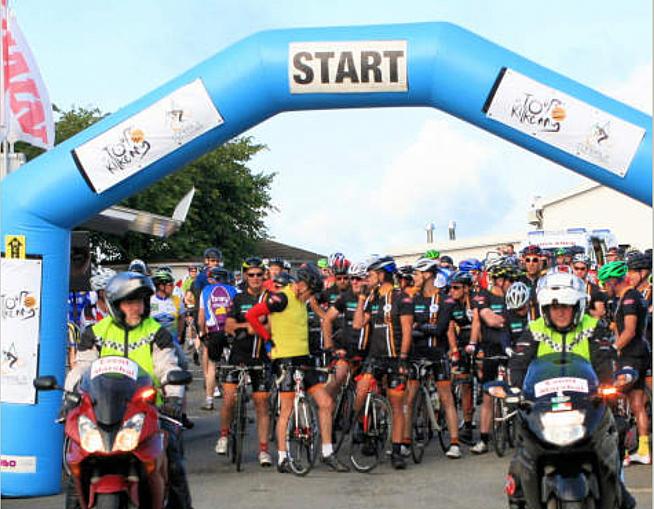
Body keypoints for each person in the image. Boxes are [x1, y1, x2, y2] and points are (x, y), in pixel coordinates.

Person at [506, 268, 635, 509]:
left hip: (588, 408)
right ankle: (520, 500)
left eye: (566, 306)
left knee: (613, 445)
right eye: (555, 307)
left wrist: (610, 384)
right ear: (545, 308)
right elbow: (518, 363)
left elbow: (604, 359)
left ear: (578, 306)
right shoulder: (535, 329)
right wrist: (514, 389)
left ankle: (617, 495)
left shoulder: (593, 327)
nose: (560, 312)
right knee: (520, 459)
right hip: (543, 410)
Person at [64, 272, 193, 509]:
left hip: (149, 409)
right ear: (115, 304)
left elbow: (167, 366)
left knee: (174, 463)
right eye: (130, 302)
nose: (137, 307)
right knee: (77, 463)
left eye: (141, 301)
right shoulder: (95, 333)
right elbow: (81, 368)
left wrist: (174, 398)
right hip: (102, 410)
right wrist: (69, 397)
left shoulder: (157, 332)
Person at [245, 263, 350, 473]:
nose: (311, 297)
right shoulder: (281, 298)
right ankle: (283, 457)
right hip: (284, 359)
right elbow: (251, 316)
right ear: (301, 285)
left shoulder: (303, 300)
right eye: (310, 292)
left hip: (303, 358)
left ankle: (327, 452)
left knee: (326, 402)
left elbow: (315, 321)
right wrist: (267, 341)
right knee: (286, 409)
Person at [352, 255, 413, 470]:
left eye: (370, 274)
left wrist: (403, 358)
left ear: (382, 275)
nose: (367, 278)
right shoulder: (373, 298)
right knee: (361, 390)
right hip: (375, 357)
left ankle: (396, 450)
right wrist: (362, 299)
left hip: (396, 357)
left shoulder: (401, 298)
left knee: (396, 404)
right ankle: (364, 428)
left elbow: (407, 331)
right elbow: (358, 324)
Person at [215, 257, 273, 466]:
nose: (255, 278)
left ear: (264, 275)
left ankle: (263, 450)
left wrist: (250, 327)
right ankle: (223, 435)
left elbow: (270, 328)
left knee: (261, 403)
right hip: (238, 354)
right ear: (246, 276)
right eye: (251, 275)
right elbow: (229, 326)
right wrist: (250, 327)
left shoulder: (270, 298)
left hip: (260, 355)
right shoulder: (239, 298)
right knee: (229, 398)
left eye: (259, 274)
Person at [598, 261, 651, 465]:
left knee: (615, 397)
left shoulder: (629, 299)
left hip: (631, 356)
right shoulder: (631, 297)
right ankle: (643, 450)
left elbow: (629, 330)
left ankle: (624, 451)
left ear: (614, 281)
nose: (604, 287)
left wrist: (613, 349)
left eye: (606, 283)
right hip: (640, 353)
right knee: (637, 403)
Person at [411, 258, 461, 458]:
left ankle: (455, 443)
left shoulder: (445, 300)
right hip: (417, 353)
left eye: (417, 274)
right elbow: (409, 328)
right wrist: (423, 328)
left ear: (427, 275)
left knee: (446, 397)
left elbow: (440, 329)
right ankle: (405, 442)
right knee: (410, 397)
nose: (414, 278)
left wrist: (419, 327)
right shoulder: (414, 300)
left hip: (438, 353)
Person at [467, 258, 517, 454]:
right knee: (488, 396)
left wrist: (499, 320)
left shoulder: (513, 295)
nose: (509, 283)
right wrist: (473, 343)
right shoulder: (483, 296)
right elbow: (487, 320)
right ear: (498, 280)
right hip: (489, 348)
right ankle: (484, 439)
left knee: (516, 391)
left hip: (510, 348)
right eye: (507, 279)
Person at [198, 266, 237, 410]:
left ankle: (209, 400)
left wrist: (202, 333)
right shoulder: (234, 290)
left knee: (212, 366)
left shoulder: (205, 291)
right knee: (237, 365)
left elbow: (201, 317)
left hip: (215, 331)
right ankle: (238, 399)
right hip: (232, 331)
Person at [571, 254, 607, 321]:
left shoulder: (595, 289)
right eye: (576, 268)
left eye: (582, 269)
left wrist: (585, 311)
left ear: (587, 269)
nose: (579, 271)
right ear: (572, 268)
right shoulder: (566, 287)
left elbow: (600, 313)